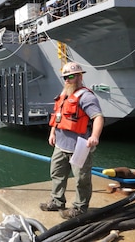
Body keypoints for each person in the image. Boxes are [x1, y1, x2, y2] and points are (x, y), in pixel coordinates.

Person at [40, 62, 104, 219]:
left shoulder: (86, 97)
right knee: (56, 173)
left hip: (79, 146)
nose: (67, 80)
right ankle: (57, 201)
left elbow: (98, 117)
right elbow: (58, 116)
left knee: (81, 179)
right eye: (65, 77)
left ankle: (80, 208)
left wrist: (94, 136)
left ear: (79, 77)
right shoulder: (65, 94)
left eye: (70, 76)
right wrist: (53, 133)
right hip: (61, 145)